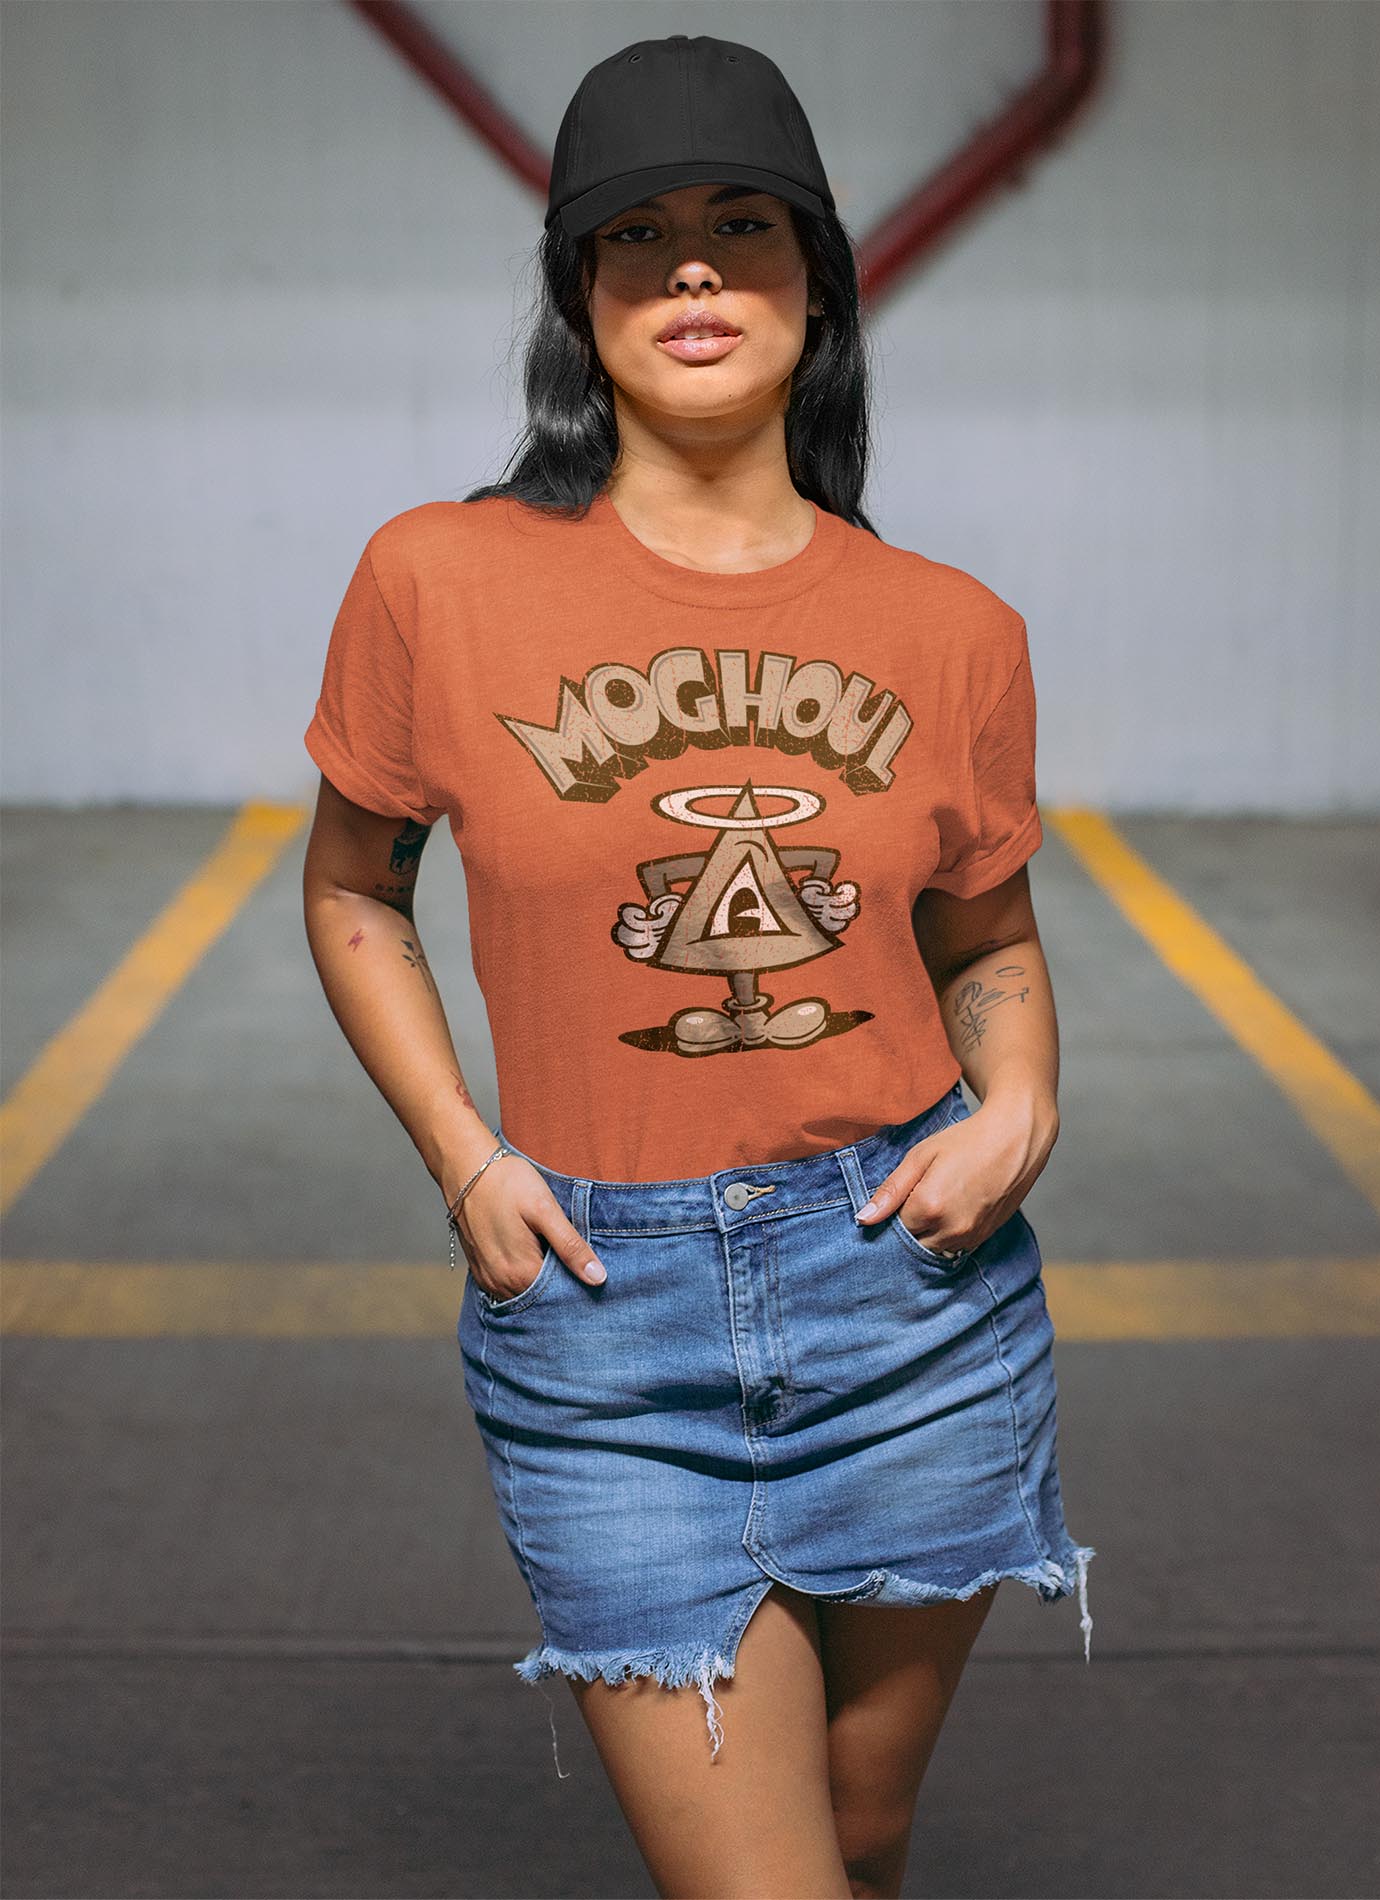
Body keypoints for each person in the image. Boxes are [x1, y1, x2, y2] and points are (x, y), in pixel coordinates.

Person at [302, 31, 1095, 1900]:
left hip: (910, 1295)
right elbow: (353, 893)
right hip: (602, 1317)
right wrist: (464, 1155)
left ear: (817, 279)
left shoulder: (952, 631)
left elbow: (986, 928)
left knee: (867, 1835)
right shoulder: (437, 579)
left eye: (745, 227)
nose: (694, 274)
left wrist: (1028, 1098)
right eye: (636, 237)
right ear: (580, 296)